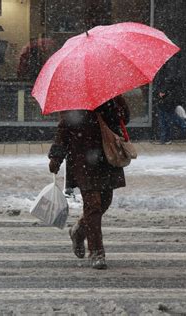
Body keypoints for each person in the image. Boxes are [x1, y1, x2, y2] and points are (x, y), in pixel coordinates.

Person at [48, 95, 129, 270]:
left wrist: (117, 101)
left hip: (107, 157)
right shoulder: (73, 98)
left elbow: (125, 118)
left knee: (105, 202)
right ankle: (97, 252)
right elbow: (63, 131)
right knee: (93, 205)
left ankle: (79, 231)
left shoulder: (110, 93)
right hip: (82, 159)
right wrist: (56, 157)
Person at [153, 56, 186, 144]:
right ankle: (166, 138)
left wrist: (163, 90)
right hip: (167, 93)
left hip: (169, 94)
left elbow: (170, 78)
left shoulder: (171, 61)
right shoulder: (166, 61)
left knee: (168, 115)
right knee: (164, 115)